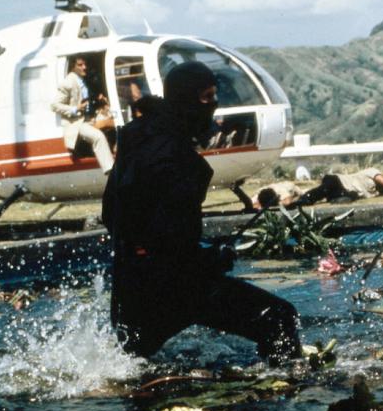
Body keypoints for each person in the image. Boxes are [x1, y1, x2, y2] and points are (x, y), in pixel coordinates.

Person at [102, 61, 302, 365]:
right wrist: (213, 258)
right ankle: (288, 384)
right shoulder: (177, 161)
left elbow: (113, 216)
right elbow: (170, 245)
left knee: (134, 361)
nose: (214, 105)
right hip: (169, 288)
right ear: (186, 99)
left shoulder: (138, 140)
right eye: (207, 97)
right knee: (280, 318)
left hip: (129, 289)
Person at [51, 56, 114, 174]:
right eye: (80, 65)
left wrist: (100, 100)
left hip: (91, 117)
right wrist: (75, 109)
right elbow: (55, 105)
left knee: (115, 121)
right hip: (78, 122)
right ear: (73, 67)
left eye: (85, 64)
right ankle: (110, 170)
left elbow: (88, 97)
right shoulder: (68, 82)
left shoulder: (85, 79)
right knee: (98, 137)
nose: (84, 67)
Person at [295, 168, 383, 206]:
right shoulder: (373, 171)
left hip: (345, 191)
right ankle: (303, 200)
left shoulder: (376, 191)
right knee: (320, 191)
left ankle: (338, 198)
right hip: (338, 181)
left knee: (352, 195)